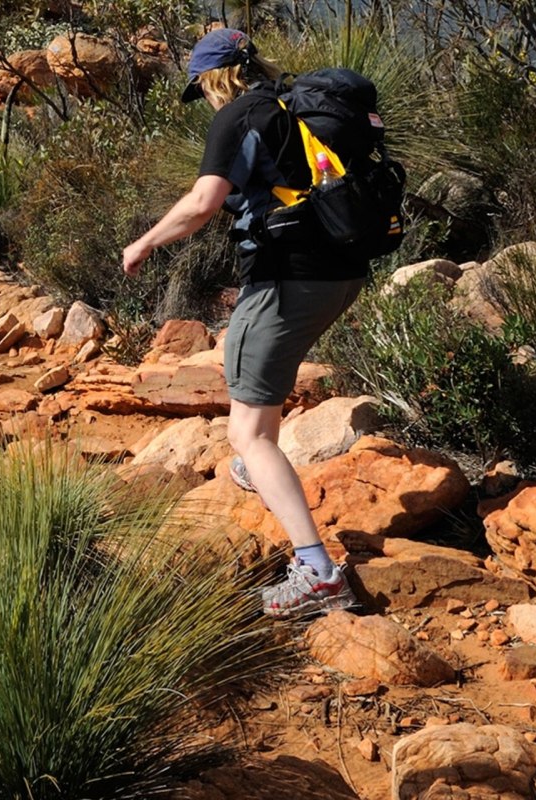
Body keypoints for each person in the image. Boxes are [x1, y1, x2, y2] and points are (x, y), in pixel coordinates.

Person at [122, 27, 370, 618]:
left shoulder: (239, 115)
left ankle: (318, 572)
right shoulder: (301, 108)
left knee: (248, 432)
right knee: (256, 375)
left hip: (289, 278)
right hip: (344, 272)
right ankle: (260, 468)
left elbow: (203, 203)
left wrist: (145, 243)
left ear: (213, 79)